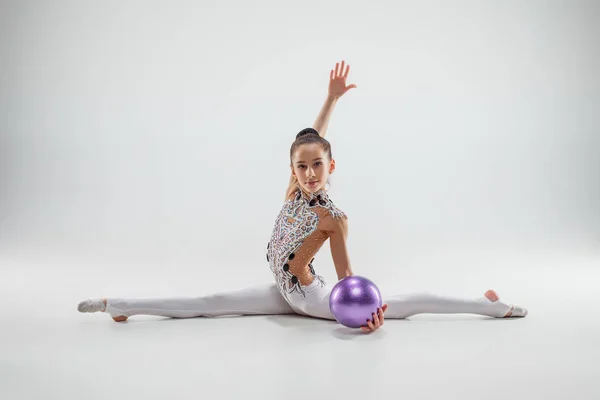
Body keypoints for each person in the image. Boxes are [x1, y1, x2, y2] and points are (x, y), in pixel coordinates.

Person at [78, 60, 527, 332]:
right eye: (302, 166)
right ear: (292, 170)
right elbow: (313, 140)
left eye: (318, 166)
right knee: (210, 304)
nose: (310, 173)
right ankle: (120, 306)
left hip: (311, 296)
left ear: (332, 168)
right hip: (283, 288)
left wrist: (362, 312)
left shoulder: (333, 217)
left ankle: (491, 307)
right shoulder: (296, 188)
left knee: (403, 306)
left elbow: (347, 273)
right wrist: (331, 100)